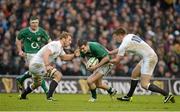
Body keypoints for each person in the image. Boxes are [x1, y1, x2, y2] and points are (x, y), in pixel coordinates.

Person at [109, 28, 175, 103]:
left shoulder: (125, 43)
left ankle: (167, 95)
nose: (115, 39)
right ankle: (128, 96)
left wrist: (106, 61)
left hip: (149, 58)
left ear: (120, 35)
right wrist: (110, 52)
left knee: (144, 84)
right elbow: (120, 49)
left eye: (115, 37)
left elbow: (117, 60)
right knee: (134, 74)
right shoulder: (130, 36)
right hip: (148, 56)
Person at [20, 31, 78, 101]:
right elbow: (46, 54)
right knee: (58, 75)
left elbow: (64, 57)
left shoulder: (60, 48)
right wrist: (47, 66)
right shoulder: (55, 44)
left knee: (37, 83)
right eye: (69, 40)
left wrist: (74, 55)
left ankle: (23, 95)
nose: (70, 42)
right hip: (38, 65)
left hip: (34, 65)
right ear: (63, 39)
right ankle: (49, 97)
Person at [16, 16, 51, 94]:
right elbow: (18, 39)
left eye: (36, 22)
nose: (34, 24)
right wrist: (20, 50)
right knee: (40, 72)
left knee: (35, 73)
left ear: (38, 23)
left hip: (39, 54)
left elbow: (49, 40)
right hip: (29, 54)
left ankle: (21, 79)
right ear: (30, 23)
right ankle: (48, 92)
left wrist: (51, 47)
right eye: (33, 22)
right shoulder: (24, 31)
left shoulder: (42, 31)